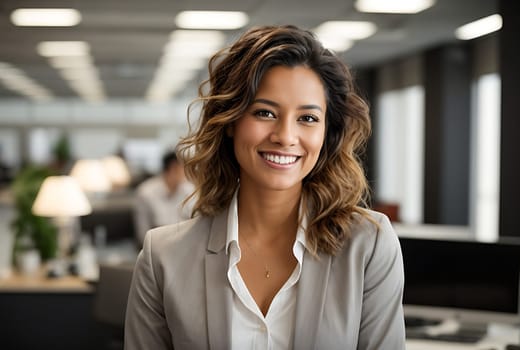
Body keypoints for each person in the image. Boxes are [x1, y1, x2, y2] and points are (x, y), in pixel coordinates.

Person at [125, 25, 405, 349]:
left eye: (308, 118)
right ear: (230, 121)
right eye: (265, 112)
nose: (285, 136)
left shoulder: (368, 245)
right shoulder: (163, 257)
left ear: (328, 133)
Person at [132, 149, 194, 247]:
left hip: (184, 247)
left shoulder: (189, 190)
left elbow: (194, 225)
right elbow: (142, 235)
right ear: (174, 168)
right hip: (156, 250)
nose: (188, 172)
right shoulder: (146, 193)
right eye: (184, 167)